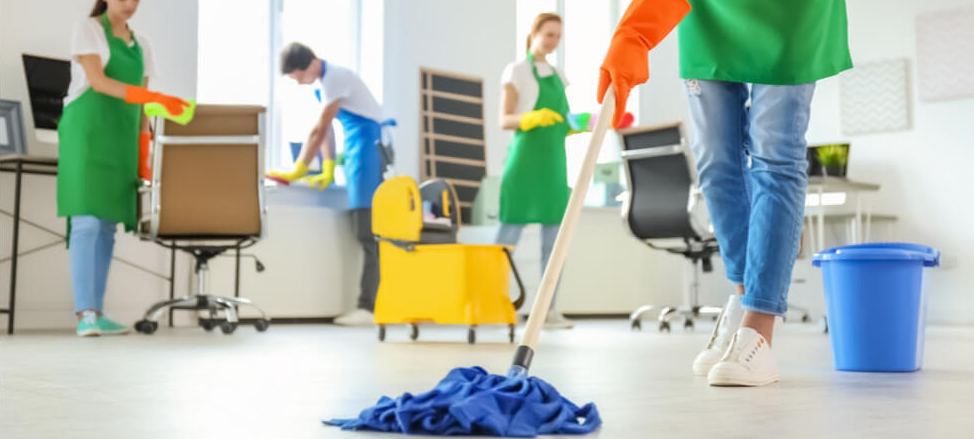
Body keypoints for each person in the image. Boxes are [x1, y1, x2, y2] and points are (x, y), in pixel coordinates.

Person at [600, 0, 851, 386]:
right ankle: (744, 297)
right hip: (708, 14)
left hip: (791, 13)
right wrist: (633, 33)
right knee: (715, 162)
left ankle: (759, 324)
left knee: (775, 156)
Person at [59, 0, 190, 337]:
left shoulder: (141, 44)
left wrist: (144, 150)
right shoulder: (88, 29)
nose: (130, 4)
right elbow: (99, 82)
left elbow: (144, 106)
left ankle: (96, 312)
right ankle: (85, 313)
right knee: (86, 220)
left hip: (122, 136)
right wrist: (156, 98)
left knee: (106, 225)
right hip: (87, 134)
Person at [269, 42, 386, 326]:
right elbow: (330, 131)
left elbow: (320, 128)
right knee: (362, 230)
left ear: (305, 66)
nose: (298, 82)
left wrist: (300, 168)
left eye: (296, 76)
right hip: (357, 150)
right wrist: (328, 166)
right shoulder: (326, 81)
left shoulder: (336, 77)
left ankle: (369, 307)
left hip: (368, 151)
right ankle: (367, 305)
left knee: (368, 234)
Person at [499, 13, 585, 330]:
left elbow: (566, 121)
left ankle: (548, 310)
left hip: (553, 166)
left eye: (557, 36)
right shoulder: (517, 71)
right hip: (523, 166)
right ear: (534, 33)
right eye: (548, 34)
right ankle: (491, 303)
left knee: (555, 243)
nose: (553, 42)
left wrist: (589, 122)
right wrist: (530, 119)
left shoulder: (560, 76)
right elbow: (504, 119)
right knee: (504, 243)